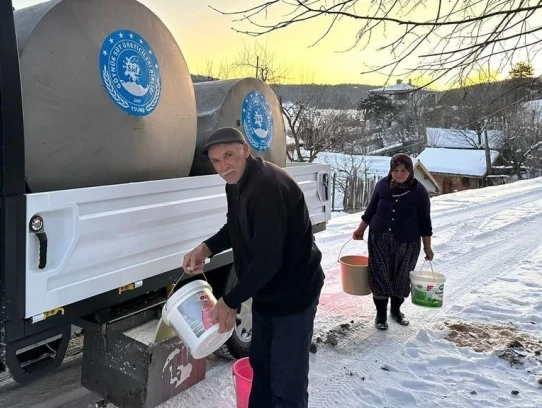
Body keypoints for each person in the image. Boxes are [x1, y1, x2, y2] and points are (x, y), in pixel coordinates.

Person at [183, 127, 324, 408]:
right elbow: (235, 227)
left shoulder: (266, 188)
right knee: (262, 367)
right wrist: (207, 247)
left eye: (229, 156)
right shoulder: (235, 184)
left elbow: (269, 259)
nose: (224, 167)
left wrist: (231, 300)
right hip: (267, 295)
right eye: (216, 161)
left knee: (287, 383)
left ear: (246, 151)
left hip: (294, 296)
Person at [353, 153, 434, 330]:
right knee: (380, 274)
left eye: (404, 170)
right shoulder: (382, 185)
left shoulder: (419, 192)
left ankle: (396, 311)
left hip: (408, 241)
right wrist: (361, 229)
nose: (399, 174)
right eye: (395, 170)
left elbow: (425, 222)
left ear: (410, 171)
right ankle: (381, 314)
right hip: (379, 236)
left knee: (402, 277)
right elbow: (371, 209)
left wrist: (428, 248)